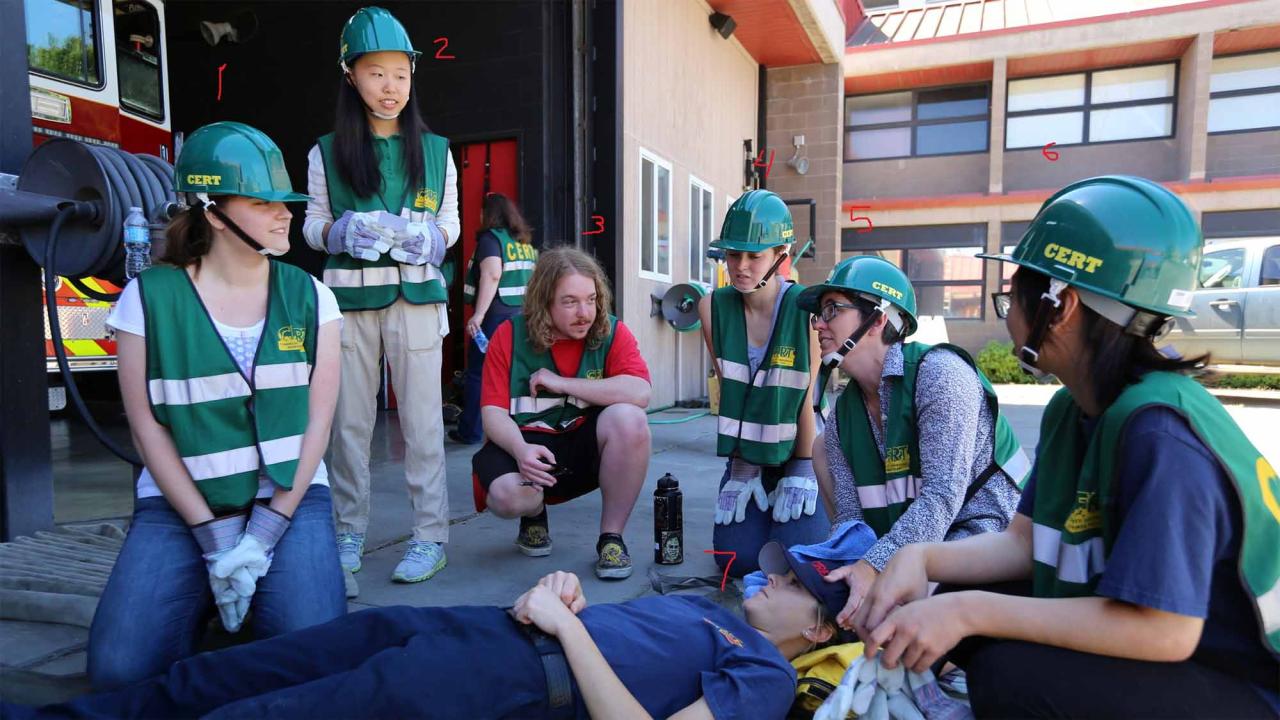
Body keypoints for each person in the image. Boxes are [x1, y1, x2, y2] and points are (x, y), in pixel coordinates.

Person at [849, 175, 1280, 717]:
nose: (1010, 307)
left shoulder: (1159, 433)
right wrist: (921, 558)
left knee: (1013, 674)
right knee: (970, 627)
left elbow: (1166, 630)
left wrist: (969, 611)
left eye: (1017, 291)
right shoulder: (1072, 410)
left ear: (1063, 303)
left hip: (1244, 683)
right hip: (1185, 663)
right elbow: (1025, 545)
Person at [10, 542, 854, 719]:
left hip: (515, 682)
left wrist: (567, 628)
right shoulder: (706, 613)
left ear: (816, 632)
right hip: (478, 627)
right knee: (235, 674)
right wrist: (565, 594)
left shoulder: (768, 678)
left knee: (265, 718)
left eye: (791, 585)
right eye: (780, 568)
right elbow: (593, 623)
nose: (770, 579)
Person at [88, 122, 346, 689]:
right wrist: (216, 540)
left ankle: (242, 592)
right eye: (263, 202)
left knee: (316, 656)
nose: (285, 215)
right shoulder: (148, 299)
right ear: (212, 211)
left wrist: (267, 532)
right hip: (182, 502)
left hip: (288, 496)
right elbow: (148, 430)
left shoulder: (312, 297)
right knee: (118, 668)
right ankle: (205, 595)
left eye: (286, 203)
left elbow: (318, 425)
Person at [301, 6, 460, 584]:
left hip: (417, 300)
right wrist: (338, 232)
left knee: (421, 425)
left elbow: (451, 223)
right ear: (350, 75)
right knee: (348, 427)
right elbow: (312, 223)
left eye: (400, 73)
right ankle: (347, 533)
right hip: (347, 303)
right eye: (375, 73)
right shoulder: (326, 150)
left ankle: (430, 537)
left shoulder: (437, 150)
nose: (390, 87)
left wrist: (430, 238)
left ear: (413, 75)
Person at [798, 255, 1030, 627]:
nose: (819, 326)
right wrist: (847, 570)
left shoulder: (940, 375)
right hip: (914, 548)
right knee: (821, 448)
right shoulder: (844, 415)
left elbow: (940, 499)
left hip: (985, 540)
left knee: (891, 621)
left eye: (832, 310)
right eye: (819, 315)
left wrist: (874, 566)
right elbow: (851, 520)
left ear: (878, 318)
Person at [473, 247, 650, 579]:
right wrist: (520, 450)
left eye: (591, 299)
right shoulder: (509, 335)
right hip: (526, 447)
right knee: (507, 497)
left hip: (580, 450)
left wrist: (563, 383)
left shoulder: (611, 331)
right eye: (570, 302)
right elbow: (493, 414)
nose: (585, 312)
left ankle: (611, 538)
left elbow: (640, 392)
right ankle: (534, 511)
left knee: (631, 420)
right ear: (545, 302)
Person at [697, 190, 828, 578]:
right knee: (736, 561)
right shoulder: (711, 307)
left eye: (755, 256)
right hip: (748, 457)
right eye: (733, 254)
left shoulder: (806, 308)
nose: (740, 266)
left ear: (780, 255)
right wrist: (741, 467)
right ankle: (757, 492)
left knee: (797, 561)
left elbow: (807, 398)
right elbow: (731, 394)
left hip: (798, 449)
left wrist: (804, 468)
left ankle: (812, 497)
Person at [451, 192, 538, 445]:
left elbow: (491, 274)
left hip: (496, 317)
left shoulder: (492, 239)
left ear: (488, 214)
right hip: (523, 317)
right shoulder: (524, 244)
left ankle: (471, 431)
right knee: (515, 373)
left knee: (479, 373)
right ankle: (518, 428)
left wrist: (477, 315)